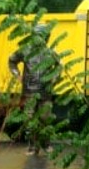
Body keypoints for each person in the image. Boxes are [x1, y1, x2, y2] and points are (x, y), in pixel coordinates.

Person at [8, 24, 55, 154]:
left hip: (45, 93)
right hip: (29, 93)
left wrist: (53, 79)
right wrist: (17, 75)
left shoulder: (50, 52)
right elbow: (11, 61)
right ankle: (32, 146)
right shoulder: (24, 50)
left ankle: (46, 144)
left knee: (45, 119)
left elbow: (59, 67)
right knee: (29, 120)